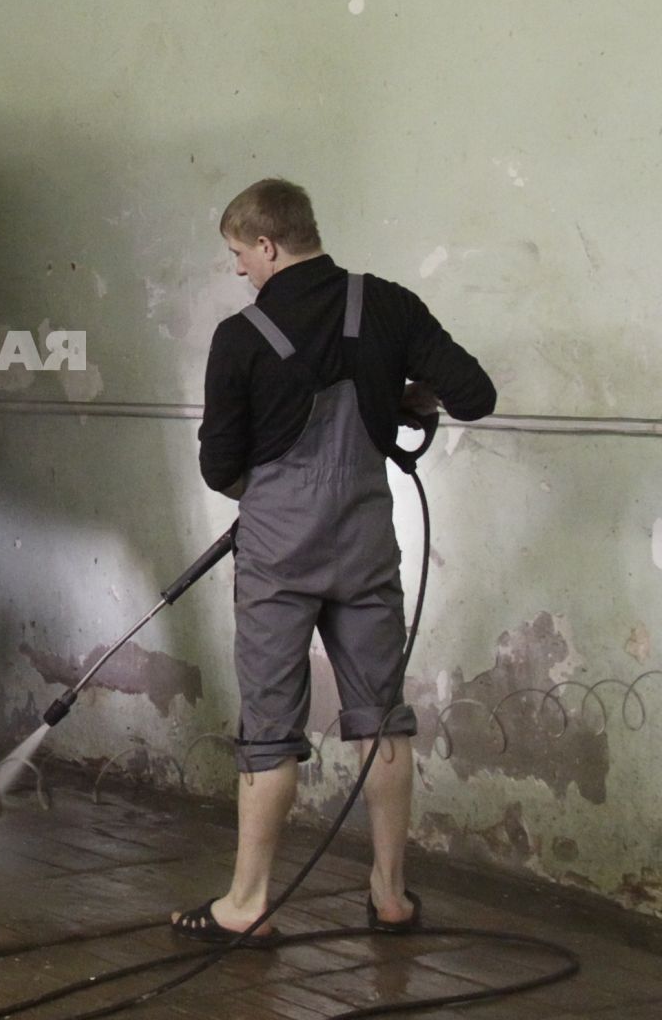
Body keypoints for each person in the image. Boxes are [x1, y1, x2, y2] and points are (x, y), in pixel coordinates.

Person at [172, 179, 494, 945]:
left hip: (279, 554)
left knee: (270, 730)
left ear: (269, 245)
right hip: (366, 542)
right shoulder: (387, 305)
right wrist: (402, 394)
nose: (240, 271)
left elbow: (221, 465)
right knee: (381, 717)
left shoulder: (242, 335)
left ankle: (247, 906)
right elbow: (473, 395)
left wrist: (277, 500)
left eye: (239, 255)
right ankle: (390, 896)